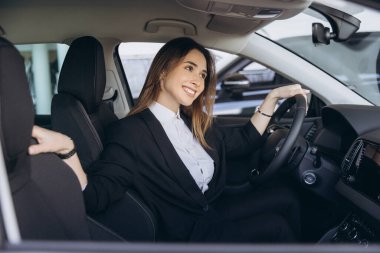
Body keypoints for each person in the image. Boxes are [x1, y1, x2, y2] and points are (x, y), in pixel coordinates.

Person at [28, 37, 309, 242]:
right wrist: (69, 151)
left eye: (202, 74)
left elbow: (245, 140)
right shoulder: (132, 132)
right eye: (189, 68)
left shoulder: (191, 122)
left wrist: (271, 99)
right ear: (163, 71)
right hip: (190, 234)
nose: (198, 81)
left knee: (287, 197)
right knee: (277, 226)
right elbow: (97, 195)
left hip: (212, 210)